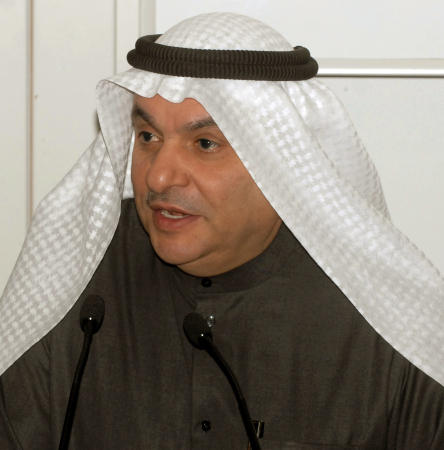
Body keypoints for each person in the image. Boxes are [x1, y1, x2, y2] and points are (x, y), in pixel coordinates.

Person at [0, 12, 443, 450]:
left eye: (205, 144)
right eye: (148, 136)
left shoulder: (385, 321)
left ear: (280, 161)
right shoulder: (72, 288)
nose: (158, 177)